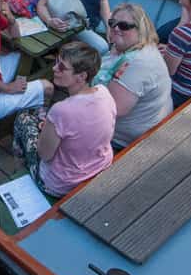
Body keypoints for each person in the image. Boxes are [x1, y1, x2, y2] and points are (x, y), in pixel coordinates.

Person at [12, 42, 115, 197]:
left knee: (22, 119)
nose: (54, 68)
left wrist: (45, 132)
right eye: (56, 62)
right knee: (39, 114)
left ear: (82, 76)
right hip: (99, 165)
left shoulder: (61, 110)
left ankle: (22, 170)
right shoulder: (104, 92)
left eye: (62, 67)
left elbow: (44, 154)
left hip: (61, 185)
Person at [97, 4, 171, 148]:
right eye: (112, 23)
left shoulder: (137, 63)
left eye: (124, 26)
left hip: (123, 139)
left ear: (140, 29)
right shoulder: (134, 47)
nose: (116, 28)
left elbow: (113, 109)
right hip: (149, 121)